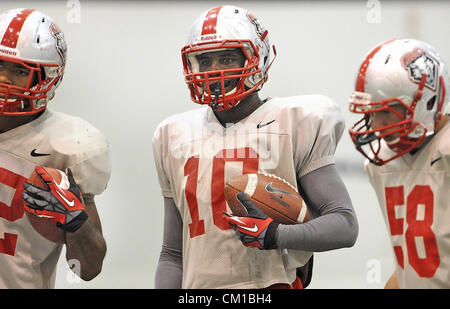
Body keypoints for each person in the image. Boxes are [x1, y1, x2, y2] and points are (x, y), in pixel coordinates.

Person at [153, 5, 358, 289]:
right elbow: (173, 255)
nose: (213, 71)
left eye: (226, 58)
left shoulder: (295, 122)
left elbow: (344, 224)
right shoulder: (172, 135)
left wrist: (276, 235)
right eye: (205, 60)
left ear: (258, 58)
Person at [0, 8, 111, 288]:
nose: (3, 78)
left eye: (19, 70)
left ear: (46, 77)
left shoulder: (68, 145)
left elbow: (87, 269)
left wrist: (77, 222)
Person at [348, 38, 449, 288]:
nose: (379, 127)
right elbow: (415, 262)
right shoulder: (383, 165)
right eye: (372, 113)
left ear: (426, 101)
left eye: (387, 111)